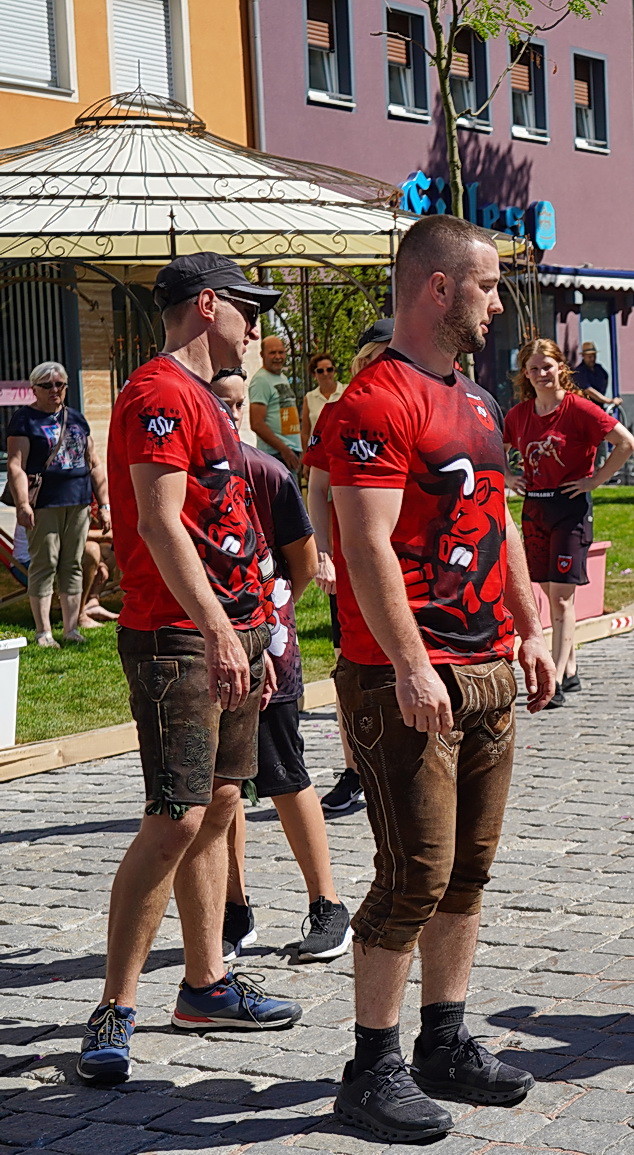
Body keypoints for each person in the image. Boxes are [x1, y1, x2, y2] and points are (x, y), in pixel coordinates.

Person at [311, 214, 556, 1141]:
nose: (498, 304)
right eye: (487, 286)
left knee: (467, 870)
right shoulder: (373, 402)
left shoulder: (480, 401)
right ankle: (370, 1067)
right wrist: (412, 664)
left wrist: (529, 630)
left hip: (486, 662)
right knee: (413, 873)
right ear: (439, 288)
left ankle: (443, 1042)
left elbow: (498, 521)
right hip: (405, 677)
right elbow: (364, 544)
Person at [78, 252, 300, 1087]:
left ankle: (205, 986)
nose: (258, 326)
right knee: (175, 815)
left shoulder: (206, 397)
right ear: (208, 305)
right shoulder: (158, 393)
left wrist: (257, 633)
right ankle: (115, 1005)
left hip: (229, 632)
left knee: (221, 804)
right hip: (178, 635)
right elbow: (161, 522)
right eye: (249, 309)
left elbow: (226, 518)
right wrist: (217, 629)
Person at [206, 369, 352, 964]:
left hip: (268, 643)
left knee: (283, 771)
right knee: (222, 785)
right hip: (206, 648)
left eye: (237, 404)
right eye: (218, 403)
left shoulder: (266, 472)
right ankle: (233, 908)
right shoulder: (187, 474)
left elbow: (303, 564)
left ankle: (327, 903)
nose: (229, 413)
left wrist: (266, 635)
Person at [505, 338, 634, 708]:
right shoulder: (519, 415)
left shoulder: (579, 408)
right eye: (533, 368)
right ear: (525, 373)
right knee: (549, 592)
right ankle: (572, 666)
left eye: (547, 366)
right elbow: (493, 447)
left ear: (561, 368)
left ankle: (557, 677)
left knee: (562, 598)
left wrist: (595, 480)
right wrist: (507, 476)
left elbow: (626, 443)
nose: (541, 374)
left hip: (571, 508)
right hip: (535, 508)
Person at [315, 318, 392, 819]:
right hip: (349, 562)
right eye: (379, 356)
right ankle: (354, 768)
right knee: (352, 663)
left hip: (407, 562)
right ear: (361, 361)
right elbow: (317, 488)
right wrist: (322, 552)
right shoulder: (335, 413)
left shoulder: (419, 404)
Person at [7, 361, 108, 646]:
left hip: (78, 501)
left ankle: (71, 629)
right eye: (47, 385)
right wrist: (23, 504)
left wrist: (104, 504)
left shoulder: (76, 418)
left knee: (72, 564)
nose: (54, 390)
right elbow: (16, 466)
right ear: (34, 389)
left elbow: (94, 463)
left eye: (59, 384)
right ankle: (44, 632)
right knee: (45, 564)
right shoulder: (24, 420)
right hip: (45, 504)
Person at [249, 334, 301, 471]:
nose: (278, 357)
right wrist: (284, 449)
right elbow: (257, 423)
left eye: (281, 352)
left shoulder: (282, 377)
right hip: (276, 455)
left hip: (289, 452)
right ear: (262, 355)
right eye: (272, 353)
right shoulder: (261, 381)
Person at [302, 351, 346, 445]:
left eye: (329, 369)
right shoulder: (309, 398)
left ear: (334, 371)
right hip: (318, 449)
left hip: (342, 448)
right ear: (314, 374)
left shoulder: (347, 392)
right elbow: (305, 432)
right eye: (320, 371)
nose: (325, 373)